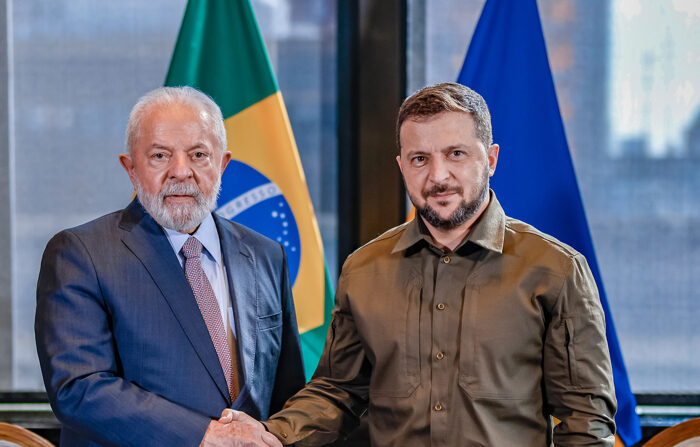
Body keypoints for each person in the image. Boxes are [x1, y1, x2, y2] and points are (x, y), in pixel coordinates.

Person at [255, 83, 617, 446]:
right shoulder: (363, 270)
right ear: (401, 166)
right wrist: (268, 436)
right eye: (420, 159)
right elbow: (337, 392)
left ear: (490, 159)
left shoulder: (557, 270)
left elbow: (586, 422)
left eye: (456, 154)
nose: (438, 175)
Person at [35, 86, 304, 447]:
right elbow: (79, 388)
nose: (181, 171)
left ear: (222, 165)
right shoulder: (81, 254)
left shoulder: (266, 254)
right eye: (160, 155)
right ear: (130, 168)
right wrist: (203, 435)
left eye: (198, 154)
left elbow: (287, 390)